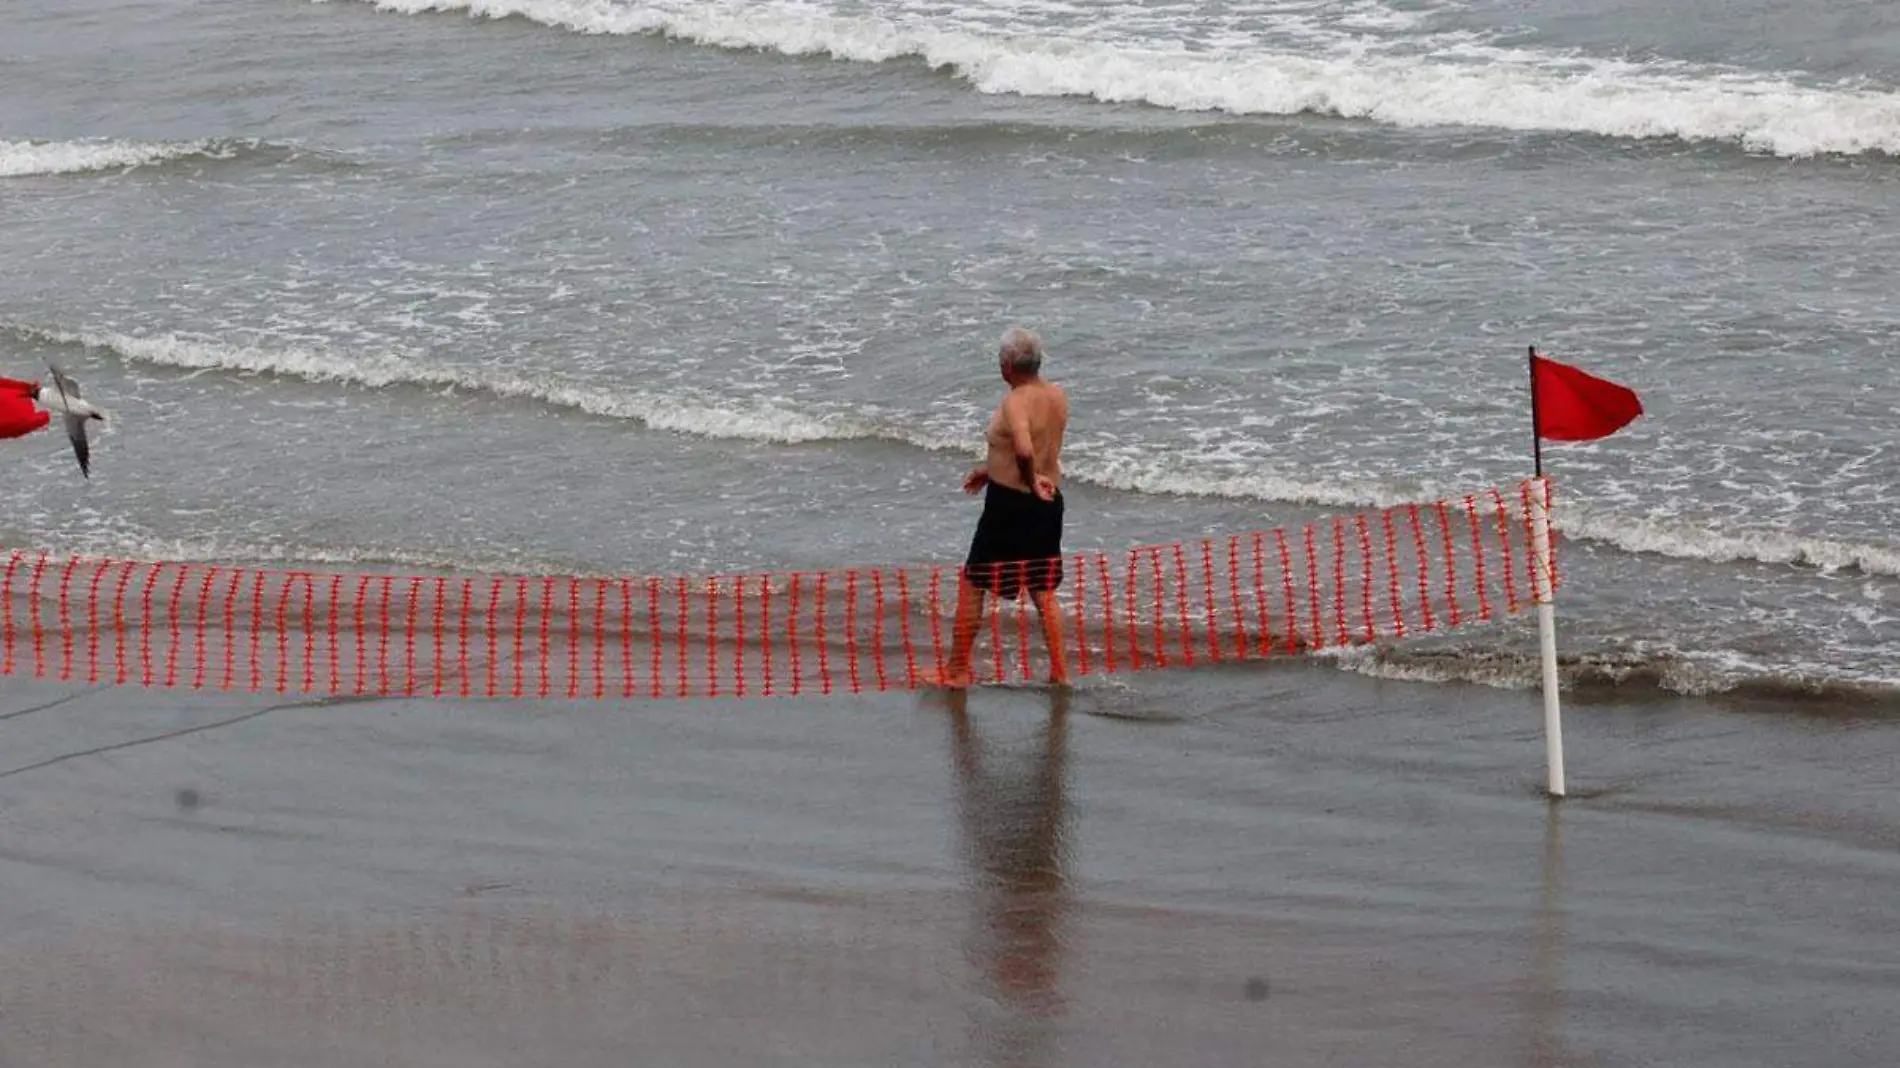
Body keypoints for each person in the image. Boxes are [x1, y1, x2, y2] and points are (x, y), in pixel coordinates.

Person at [939, 327, 1070, 689]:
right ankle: (1060, 672)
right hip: (1047, 503)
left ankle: (957, 671)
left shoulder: (1015, 401)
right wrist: (990, 470)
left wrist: (1025, 482)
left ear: (1006, 366)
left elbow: (1025, 450)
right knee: (1043, 591)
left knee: (973, 583)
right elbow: (1038, 448)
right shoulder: (1057, 395)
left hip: (1011, 504)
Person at [0, 375, 50, 440]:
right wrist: (28, 387)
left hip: (23, 419)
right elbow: (3, 382)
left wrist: (45, 417)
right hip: (24, 397)